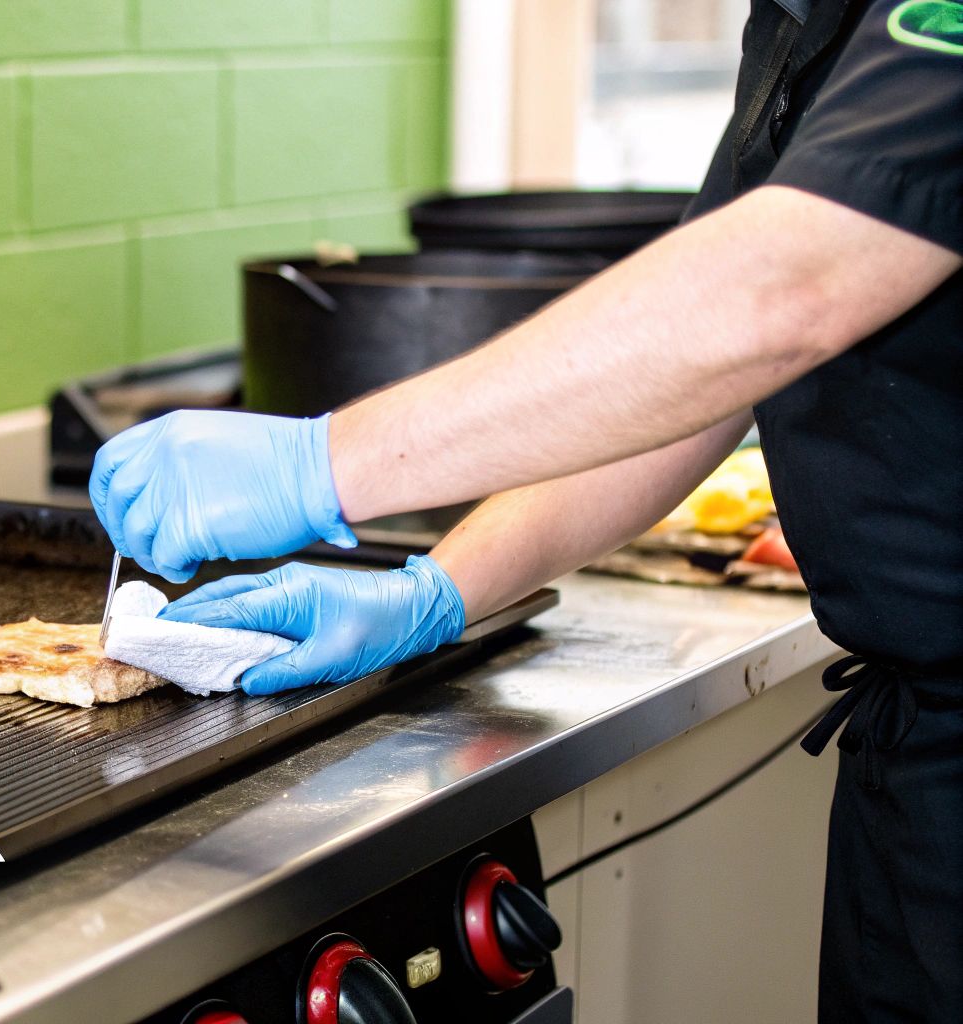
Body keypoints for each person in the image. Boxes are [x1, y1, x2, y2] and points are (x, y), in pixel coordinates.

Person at [89, 0, 963, 1018]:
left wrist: (317, 463)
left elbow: (785, 289)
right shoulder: (807, 18)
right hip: (915, 772)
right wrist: (440, 588)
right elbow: (690, 375)